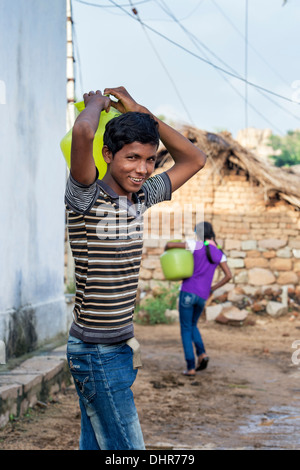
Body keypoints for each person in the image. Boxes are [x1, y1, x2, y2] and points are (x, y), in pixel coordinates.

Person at [65, 86, 207, 450]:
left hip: (118, 346)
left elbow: (195, 159)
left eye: (150, 159)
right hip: (96, 351)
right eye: (131, 158)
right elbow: (83, 132)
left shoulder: (140, 196)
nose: (142, 169)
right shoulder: (87, 196)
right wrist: (96, 103)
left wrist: (145, 114)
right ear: (107, 154)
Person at [165, 221, 232, 377]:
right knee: (193, 325)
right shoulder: (219, 252)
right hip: (202, 296)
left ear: (199, 233)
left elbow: (169, 245)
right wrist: (212, 289)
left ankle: (191, 367)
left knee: (186, 329)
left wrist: (170, 246)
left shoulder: (195, 245)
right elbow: (228, 276)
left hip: (188, 292)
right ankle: (202, 354)